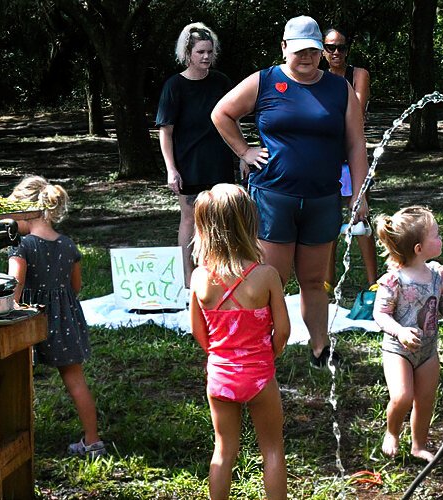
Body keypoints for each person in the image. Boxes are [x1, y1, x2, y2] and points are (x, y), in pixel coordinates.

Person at [212, 15, 369, 367]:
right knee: (273, 279)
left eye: (313, 51)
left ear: (321, 52)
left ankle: (319, 348)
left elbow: (356, 143)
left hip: (322, 197)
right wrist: (244, 151)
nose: (306, 57)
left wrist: (359, 193)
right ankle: (263, 350)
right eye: (298, 51)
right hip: (273, 197)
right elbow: (221, 113)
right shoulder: (264, 81)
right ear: (284, 48)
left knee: (314, 279)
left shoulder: (338, 88)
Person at [188, 184, 290, 500]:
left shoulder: (199, 278)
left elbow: (197, 332)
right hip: (260, 375)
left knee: (223, 450)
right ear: (249, 224)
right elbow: (283, 331)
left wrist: (222, 356)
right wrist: (265, 356)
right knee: (272, 449)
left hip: (220, 375)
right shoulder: (267, 275)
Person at [8, 176, 106, 456]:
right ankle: (93, 440)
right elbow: (75, 287)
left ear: (27, 211)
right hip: (64, 321)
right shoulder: (67, 244)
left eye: (15, 216)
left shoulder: (23, 246)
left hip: (30, 323)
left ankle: (17, 437)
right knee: (75, 379)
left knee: (18, 378)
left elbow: (15, 287)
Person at [370, 206, 443, 461]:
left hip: (427, 351)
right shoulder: (394, 280)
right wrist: (400, 331)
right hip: (397, 350)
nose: (441, 238)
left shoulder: (438, 274)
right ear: (418, 248)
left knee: (425, 400)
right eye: (435, 235)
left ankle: (418, 445)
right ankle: (392, 432)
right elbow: (380, 315)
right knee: (403, 397)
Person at [157, 22, 236, 285]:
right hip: (189, 164)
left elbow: (232, 120)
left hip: (220, 162)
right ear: (188, 53)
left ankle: (219, 273)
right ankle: (188, 277)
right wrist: (171, 169)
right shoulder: (174, 86)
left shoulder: (221, 81)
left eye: (210, 52)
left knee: (222, 217)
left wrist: (243, 153)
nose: (206, 57)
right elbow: (165, 131)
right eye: (201, 52)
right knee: (189, 219)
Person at [322, 28, 380, 287]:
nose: (336, 52)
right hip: (325, 155)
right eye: (330, 47)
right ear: (322, 49)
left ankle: (373, 282)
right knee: (327, 218)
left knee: (361, 216)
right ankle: (327, 282)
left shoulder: (359, 75)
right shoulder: (317, 77)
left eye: (341, 48)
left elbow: (354, 112)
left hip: (351, 154)